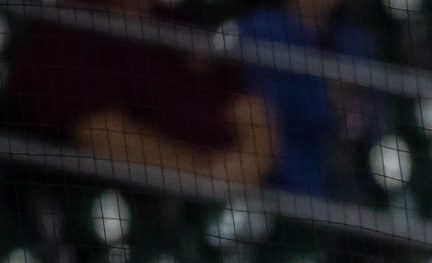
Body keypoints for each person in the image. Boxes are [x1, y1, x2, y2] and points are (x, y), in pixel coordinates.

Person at [1, 0, 278, 189]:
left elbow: (251, 110)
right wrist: (206, 177)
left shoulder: (180, 22)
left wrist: (245, 166)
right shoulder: (64, 27)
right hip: (115, 204)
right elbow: (101, 134)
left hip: (221, 200)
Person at [237, 0, 381, 198]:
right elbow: (270, 103)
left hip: (351, 180)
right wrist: (330, 100)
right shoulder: (261, 28)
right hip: (284, 175)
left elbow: (372, 114)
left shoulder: (354, 41)